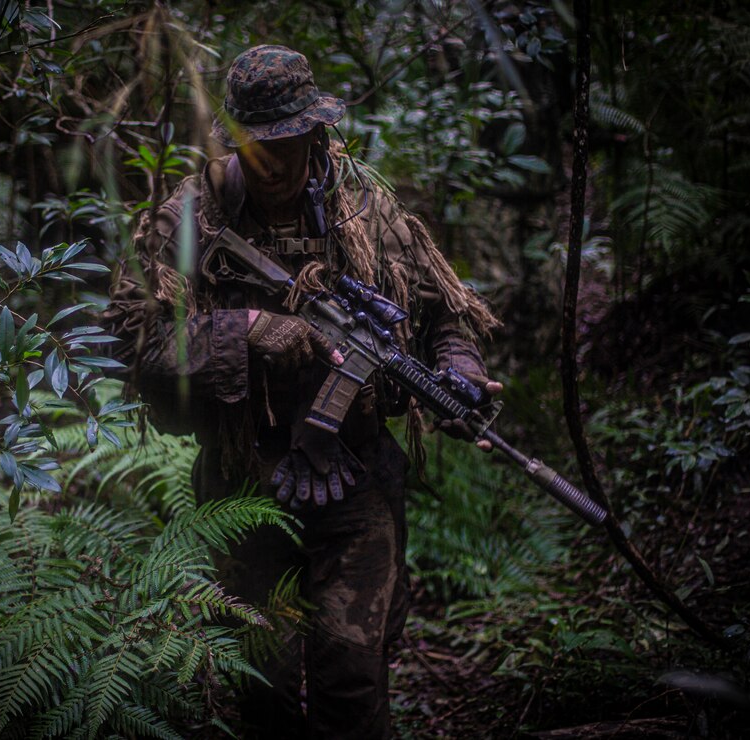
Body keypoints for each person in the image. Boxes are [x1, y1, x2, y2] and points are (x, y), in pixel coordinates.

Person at [100, 44, 500, 739]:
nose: (274, 162)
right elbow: (131, 342)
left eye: (288, 141)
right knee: (266, 692)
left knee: (353, 681)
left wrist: (458, 370)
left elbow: (446, 313)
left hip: (358, 481)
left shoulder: (365, 210)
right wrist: (245, 328)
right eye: (258, 145)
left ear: (316, 131)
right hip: (244, 487)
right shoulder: (187, 220)